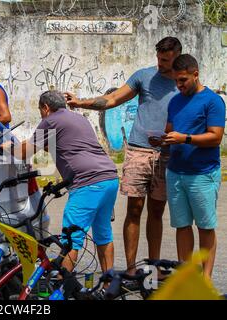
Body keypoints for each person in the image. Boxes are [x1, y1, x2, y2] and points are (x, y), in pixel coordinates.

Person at [65, 37, 182, 275]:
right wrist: (81, 103)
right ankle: (131, 269)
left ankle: (155, 266)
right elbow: (113, 99)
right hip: (139, 150)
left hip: (168, 154)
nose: (161, 63)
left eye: (166, 60)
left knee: (157, 211)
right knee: (135, 209)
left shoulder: (183, 81)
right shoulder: (143, 76)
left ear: (177, 56)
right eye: (159, 58)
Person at [4, 90, 119, 280]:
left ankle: (61, 287)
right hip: (109, 177)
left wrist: (8, 147)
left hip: (87, 183)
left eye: (41, 111)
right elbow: (58, 144)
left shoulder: (50, 121)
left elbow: (24, 152)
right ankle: (109, 286)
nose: (41, 115)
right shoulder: (78, 119)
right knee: (103, 234)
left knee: (70, 239)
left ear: (46, 108)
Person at [163, 54, 225, 279]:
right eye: (176, 81)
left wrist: (185, 138)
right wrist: (163, 139)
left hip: (202, 173)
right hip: (175, 171)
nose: (179, 86)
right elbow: (171, 130)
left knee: (205, 227)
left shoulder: (213, 101)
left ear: (195, 74)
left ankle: (206, 279)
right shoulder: (175, 101)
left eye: (183, 80)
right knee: (181, 225)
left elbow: (216, 137)